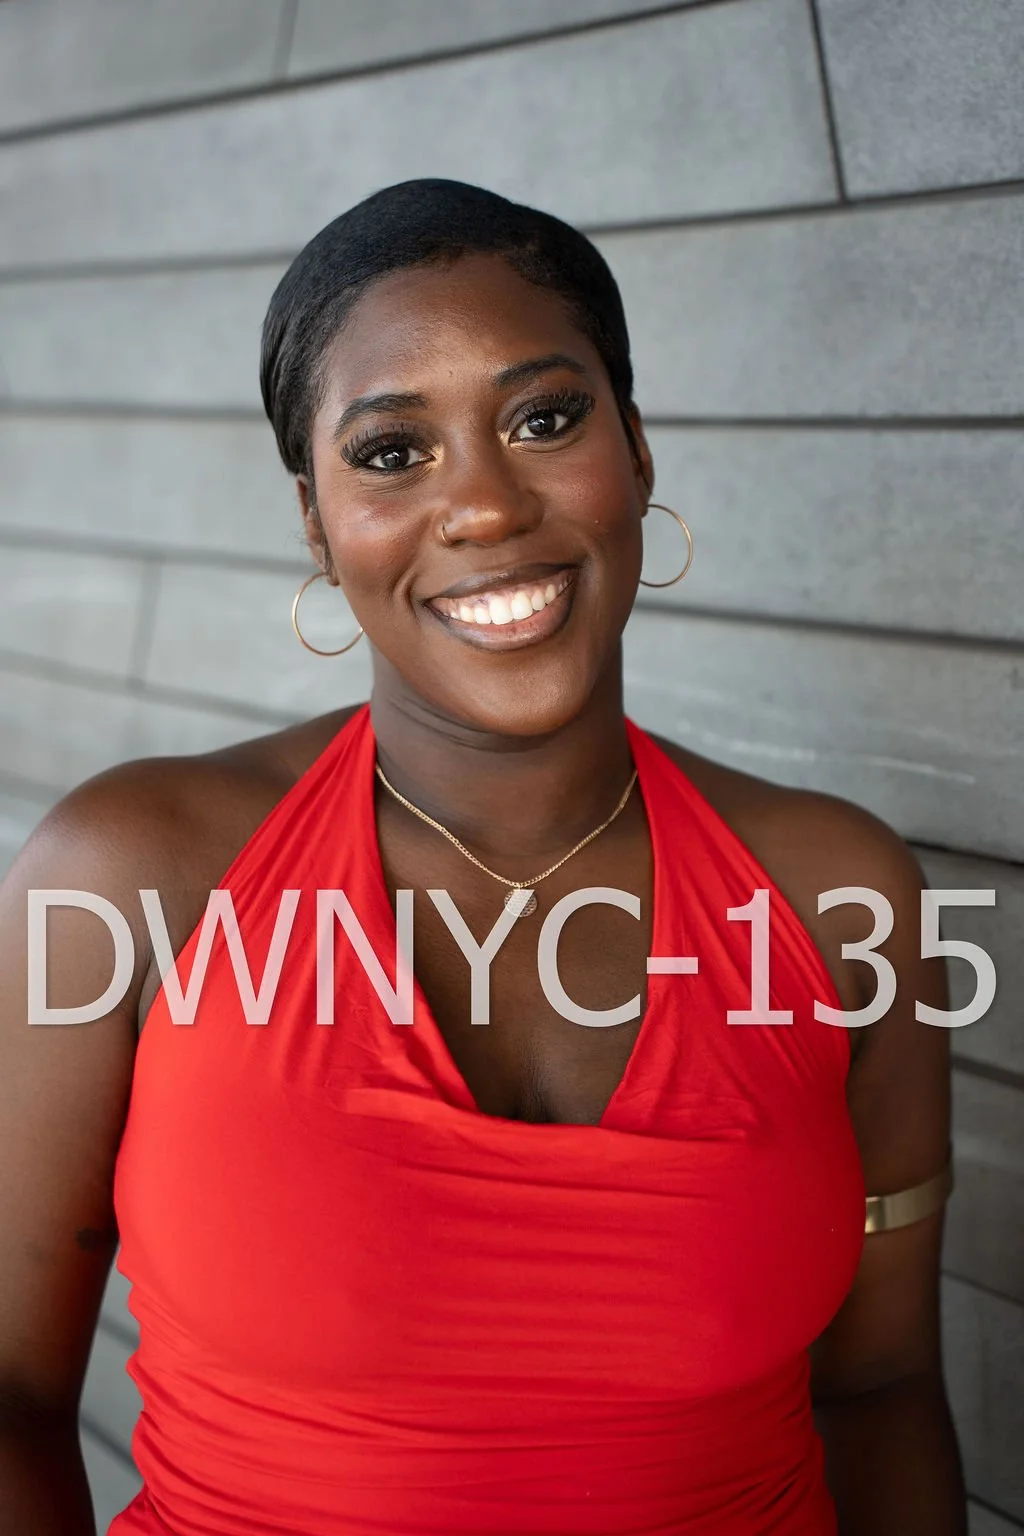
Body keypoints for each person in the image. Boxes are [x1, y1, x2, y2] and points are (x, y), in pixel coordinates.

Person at [0, 179, 965, 1535]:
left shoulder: (838, 897)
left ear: (637, 449)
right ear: (316, 522)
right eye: (393, 451)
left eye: (545, 420)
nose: (486, 507)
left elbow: (881, 1389)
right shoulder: (128, 877)